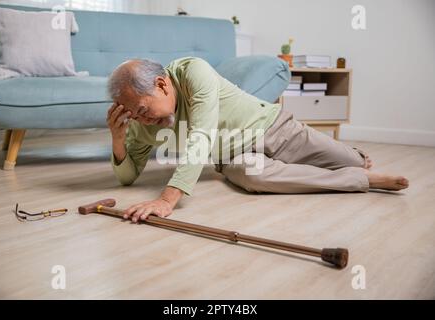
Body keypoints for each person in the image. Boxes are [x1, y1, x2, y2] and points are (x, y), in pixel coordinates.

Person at [106, 57, 409, 222]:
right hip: (233, 157)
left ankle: (353, 161)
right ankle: (363, 180)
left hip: (273, 127)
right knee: (255, 178)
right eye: (134, 116)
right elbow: (128, 176)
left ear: (161, 84)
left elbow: (201, 134)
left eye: (144, 110)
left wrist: (166, 199)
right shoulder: (138, 122)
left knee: (350, 159)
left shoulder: (192, 72)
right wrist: (118, 139)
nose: (142, 120)